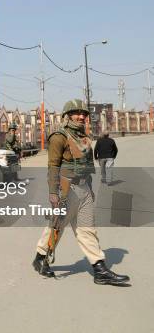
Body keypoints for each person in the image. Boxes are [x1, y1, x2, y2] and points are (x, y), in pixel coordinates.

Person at [32, 99, 129, 285]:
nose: (82, 116)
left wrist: (90, 191)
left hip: (83, 189)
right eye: (77, 113)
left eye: (84, 113)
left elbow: (87, 165)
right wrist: (54, 194)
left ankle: (99, 269)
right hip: (66, 190)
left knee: (87, 230)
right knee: (56, 226)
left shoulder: (84, 137)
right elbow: (53, 166)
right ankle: (40, 257)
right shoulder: (58, 136)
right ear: (67, 115)